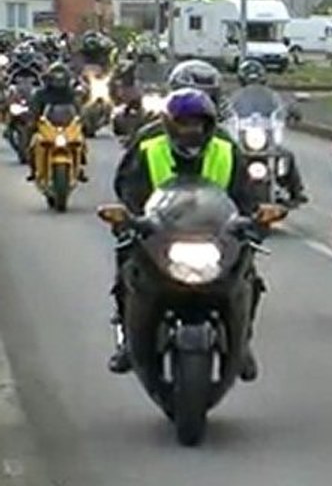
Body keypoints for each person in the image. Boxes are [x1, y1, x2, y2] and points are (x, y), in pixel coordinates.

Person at [109, 87, 262, 380]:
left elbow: (246, 194)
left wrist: (252, 221)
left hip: (215, 236)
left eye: (198, 123)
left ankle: (242, 341)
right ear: (170, 123)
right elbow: (126, 186)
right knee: (126, 262)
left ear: (209, 125)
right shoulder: (148, 145)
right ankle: (128, 337)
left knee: (248, 276)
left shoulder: (226, 148)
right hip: (160, 235)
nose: (191, 129)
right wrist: (131, 219)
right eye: (184, 122)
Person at [229, 58, 307, 205]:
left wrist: (291, 111)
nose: (254, 83)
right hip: (242, 139)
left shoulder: (272, 97)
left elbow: (281, 108)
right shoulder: (234, 98)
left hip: (265, 138)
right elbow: (227, 112)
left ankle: (296, 191)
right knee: (229, 156)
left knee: (286, 155)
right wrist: (221, 117)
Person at [25, 62, 87, 183]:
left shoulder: (72, 94)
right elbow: (34, 109)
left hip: (68, 126)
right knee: (33, 142)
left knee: (81, 140)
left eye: (62, 79)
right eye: (56, 78)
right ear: (49, 79)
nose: (59, 82)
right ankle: (33, 169)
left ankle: (80, 166)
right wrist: (33, 120)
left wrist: (82, 119)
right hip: (47, 126)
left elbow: (79, 109)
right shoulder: (40, 94)